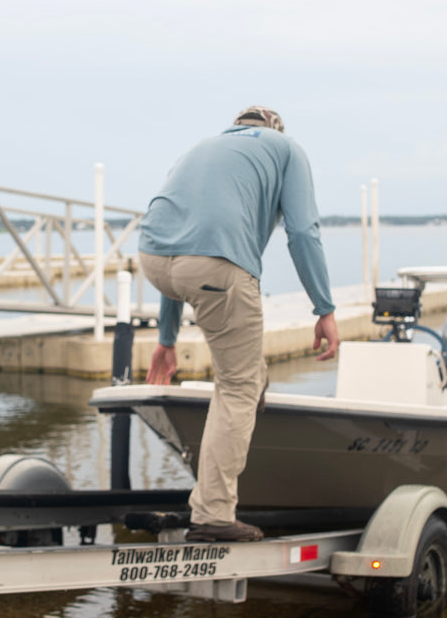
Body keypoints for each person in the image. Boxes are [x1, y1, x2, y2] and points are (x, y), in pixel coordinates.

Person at [138, 106, 339, 542]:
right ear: (276, 129)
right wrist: (324, 309)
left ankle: (231, 455)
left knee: (243, 373)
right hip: (218, 267)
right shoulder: (287, 149)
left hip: (153, 259)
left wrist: (166, 340)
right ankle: (213, 514)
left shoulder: (200, 150)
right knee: (238, 386)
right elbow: (303, 232)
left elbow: (179, 255)